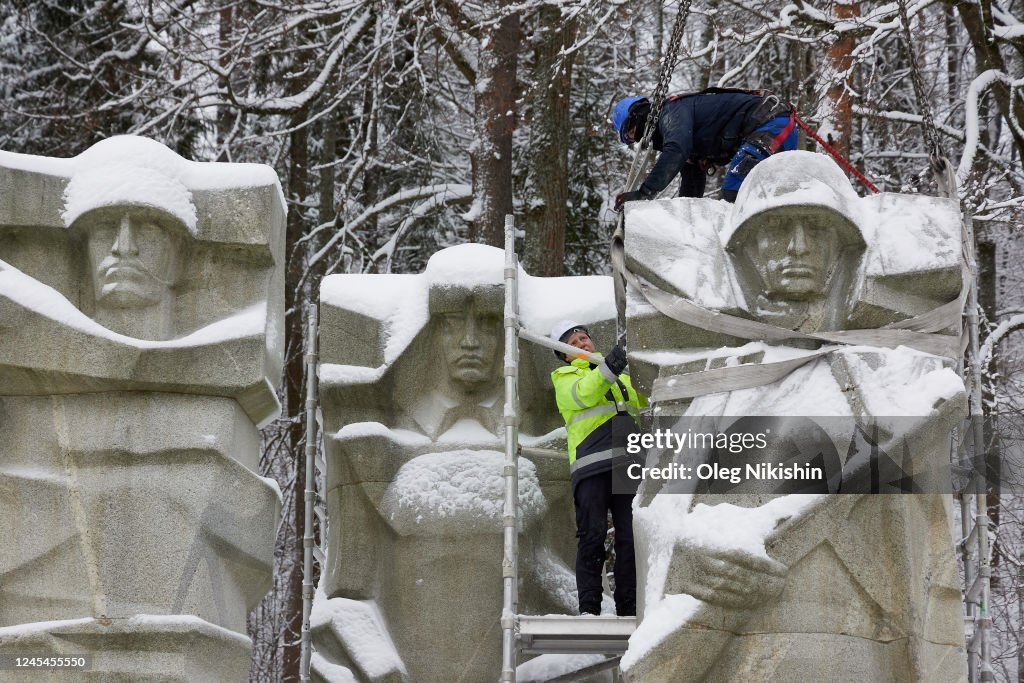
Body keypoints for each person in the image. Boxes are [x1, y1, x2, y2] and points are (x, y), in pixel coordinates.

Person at [549, 320, 647, 616]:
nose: (582, 344)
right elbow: (586, 394)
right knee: (592, 534)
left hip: (628, 461)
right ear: (566, 355)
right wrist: (611, 367)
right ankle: (589, 607)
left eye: (584, 339)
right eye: (574, 343)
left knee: (630, 535)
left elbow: (644, 399)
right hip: (592, 462)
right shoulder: (564, 377)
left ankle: (629, 606)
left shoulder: (620, 377)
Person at [611, 89, 799, 207]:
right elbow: (691, 192)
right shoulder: (687, 142)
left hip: (772, 125)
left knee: (733, 189)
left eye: (632, 131)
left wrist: (644, 194)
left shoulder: (671, 113)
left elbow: (676, 150)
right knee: (767, 197)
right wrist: (685, 221)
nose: (636, 136)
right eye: (630, 138)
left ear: (639, 114)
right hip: (772, 131)